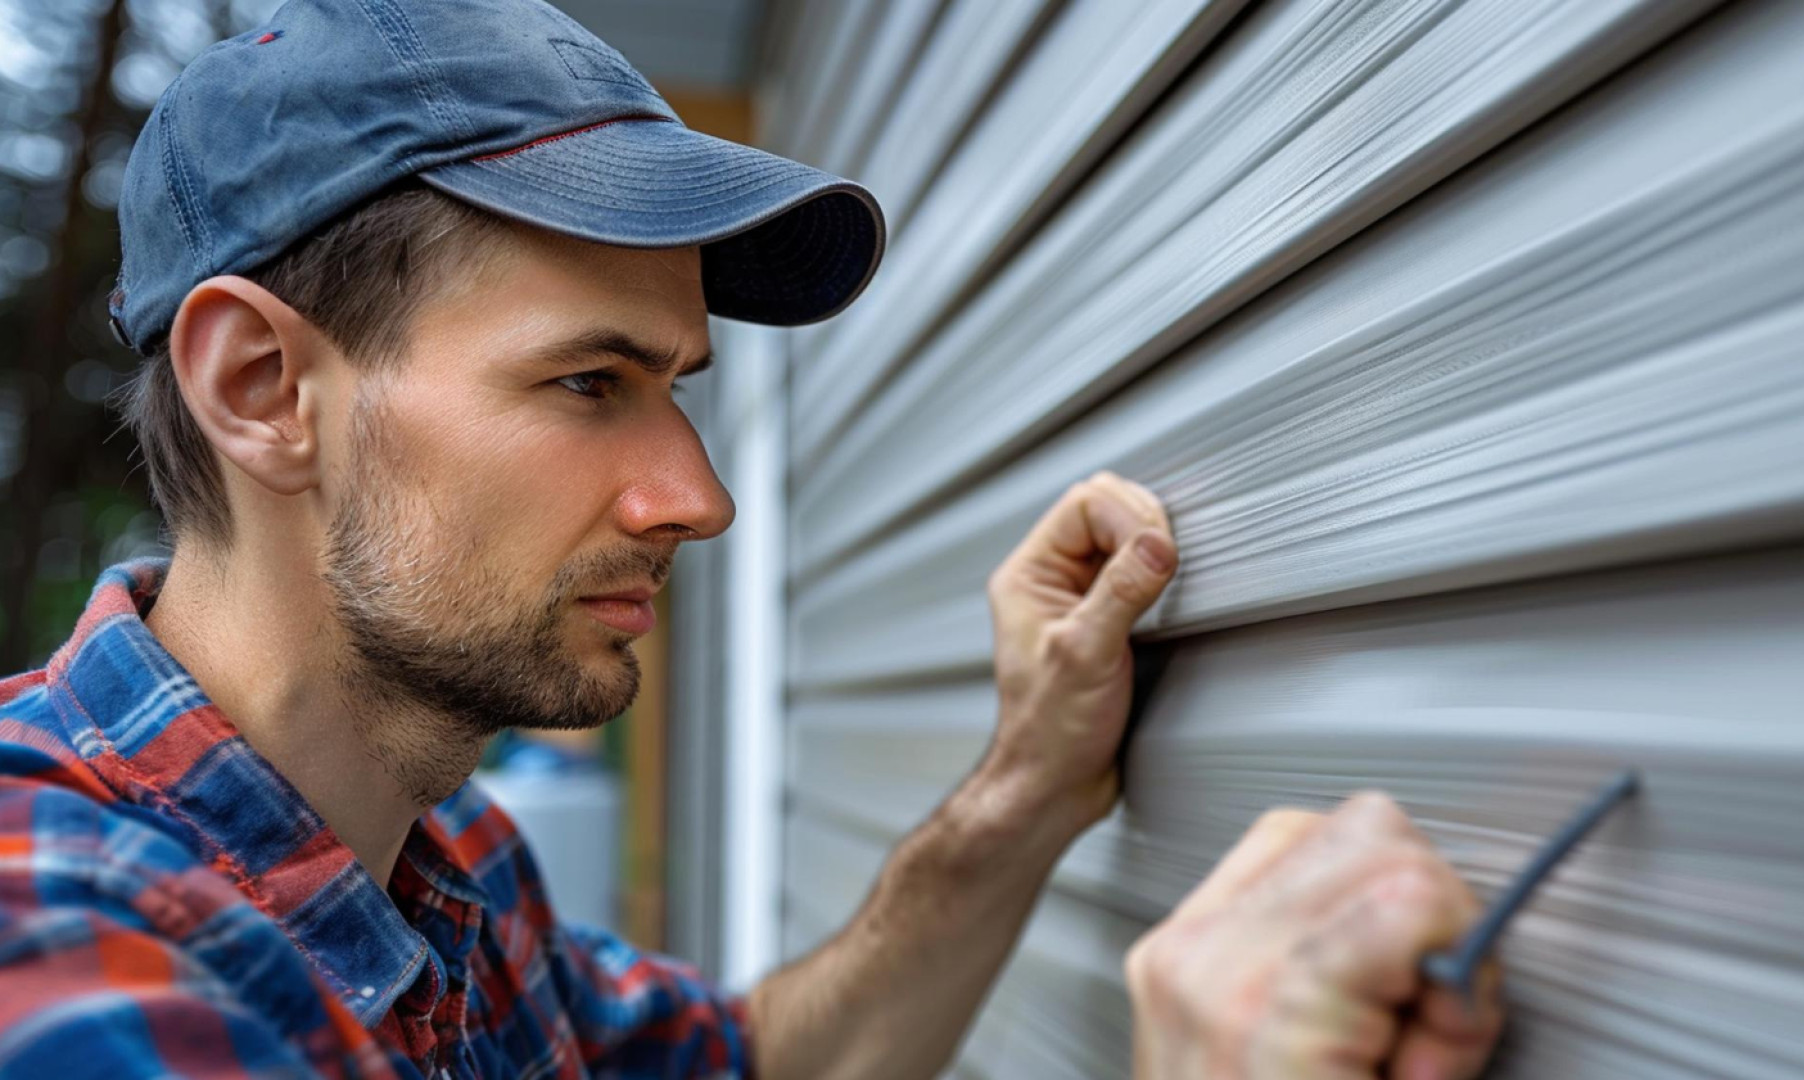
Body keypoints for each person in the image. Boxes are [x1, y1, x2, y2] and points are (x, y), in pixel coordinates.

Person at [0, 1, 1503, 1077]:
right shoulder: (58, 946)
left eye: (676, 390)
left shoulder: (437, 861)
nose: (697, 497)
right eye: (588, 383)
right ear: (263, 390)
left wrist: (1026, 791)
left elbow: (769, 1058)